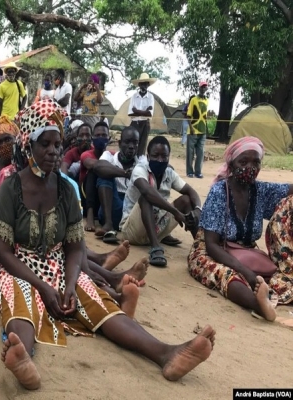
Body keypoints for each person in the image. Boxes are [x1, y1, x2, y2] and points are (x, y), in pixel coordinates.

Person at [0, 99, 214, 390]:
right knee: (19, 296)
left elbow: (73, 247)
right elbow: (3, 252)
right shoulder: (11, 188)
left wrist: (69, 284)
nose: (54, 151)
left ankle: (166, 353)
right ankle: (24, 356)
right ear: (28, 144)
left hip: (58, 264)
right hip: (18, 267)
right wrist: (43, 286)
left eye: (58, 144)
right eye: (46, 143)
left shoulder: (66, 189)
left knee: (97, 300)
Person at [188, 137, 293, 321]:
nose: (249, 168)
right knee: (225, 275)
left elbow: (289, 192)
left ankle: (265, 292)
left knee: (282, 280)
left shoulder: (260, 190)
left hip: (247, 253)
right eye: (243, 162)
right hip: (211, 251)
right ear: (231, 163)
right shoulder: (219, 191)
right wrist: (247, 273)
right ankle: (258, 304)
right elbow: (211, 245)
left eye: (255, 162)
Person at [120, 136, 202, 267]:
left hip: (156, 228)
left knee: (186, 200)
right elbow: (147, 192)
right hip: (132, 232)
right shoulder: (140, 170)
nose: (160, 160)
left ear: (169, 157)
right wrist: (175, 212)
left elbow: (191, 192)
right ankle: (155, 248)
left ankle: (200, 247)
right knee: (146, 197)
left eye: (164, 156)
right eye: (155, 156)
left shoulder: (169, 173)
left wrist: (198, 210)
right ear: (148, 157)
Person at [93, 126, 140, 242]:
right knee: (104, 176)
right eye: (127, 142)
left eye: (135, 143)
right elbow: (98, 167)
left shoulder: (142, 163)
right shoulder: (109, 156)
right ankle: (108, 224)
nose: (131, 146)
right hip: (112, 205)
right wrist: (125, 173)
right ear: (120, 143)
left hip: (131, 212)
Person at [81, 122, 111, 232]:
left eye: (104, 135)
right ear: (92, 138)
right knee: (94, 172)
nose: (101, 138)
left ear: (109, 138)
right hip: (87, 197)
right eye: (97, 135)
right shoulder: (86, 154)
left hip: (104, 197)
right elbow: (94, 165)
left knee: (107, 174)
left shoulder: (112, 155)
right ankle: (90, 216)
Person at [128, 73, 156, 156]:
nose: (144, 85)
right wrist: (145, 111)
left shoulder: (150, 97)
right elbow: (130, 113)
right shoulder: (134, 96)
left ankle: (139, 164)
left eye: (145, 83)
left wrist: (136, 111)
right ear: (139, 84)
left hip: (145, 123)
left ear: (148, 85)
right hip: (134, 123)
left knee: (142, 145)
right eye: (142, 83)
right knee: (132, 144)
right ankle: (132, 162)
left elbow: (149, 114)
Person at [186, 82, 209, 178]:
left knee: (200, 152)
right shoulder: (194, 100)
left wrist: (206, 128)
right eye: (202, 87)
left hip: (202, 130)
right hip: (193, 130)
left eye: (205, 87)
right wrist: (191, 127)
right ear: (199, 88)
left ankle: (198, 172)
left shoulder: (207, 101)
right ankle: (190, 172)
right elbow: (188, 115)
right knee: (190, 153)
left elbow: (205, 117)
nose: (203, 88)